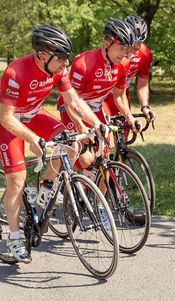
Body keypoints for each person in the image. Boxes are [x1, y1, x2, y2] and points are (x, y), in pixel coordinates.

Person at [0, 25, 107, 263]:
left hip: (34, 116)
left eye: (67, 58)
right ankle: (15, 237)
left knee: (71, 143)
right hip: (10, 125)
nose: (65, 64)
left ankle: (46, 187)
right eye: (61, 59)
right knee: (17, 181)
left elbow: (74, 101)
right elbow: (5, 117)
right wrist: (32, 139)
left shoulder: (57, 71)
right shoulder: (15, 72)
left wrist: (96, 123)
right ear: (43, 55)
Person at [56, 18, 138, 170]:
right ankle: (66, 184)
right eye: (121, 48)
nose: (125, 53)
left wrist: (129, 117)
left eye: (127, 48)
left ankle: (98, 194)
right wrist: (80, 126)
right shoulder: (84, 64)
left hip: (95, 110)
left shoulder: (124, 64)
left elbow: (119, 96)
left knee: (104, 161)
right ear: (107, 44)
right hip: (72, 110)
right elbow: (70, 102)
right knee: (86, 159)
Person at [103, 15, 155, 122]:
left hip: (122, 94)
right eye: (135, 41)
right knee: (104, 132)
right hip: (103, 95)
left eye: (141, 41)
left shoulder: (145, 54)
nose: (138, 46)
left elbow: (143, 83)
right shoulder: (113, 52)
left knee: (126, 130)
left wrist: (145, 106)